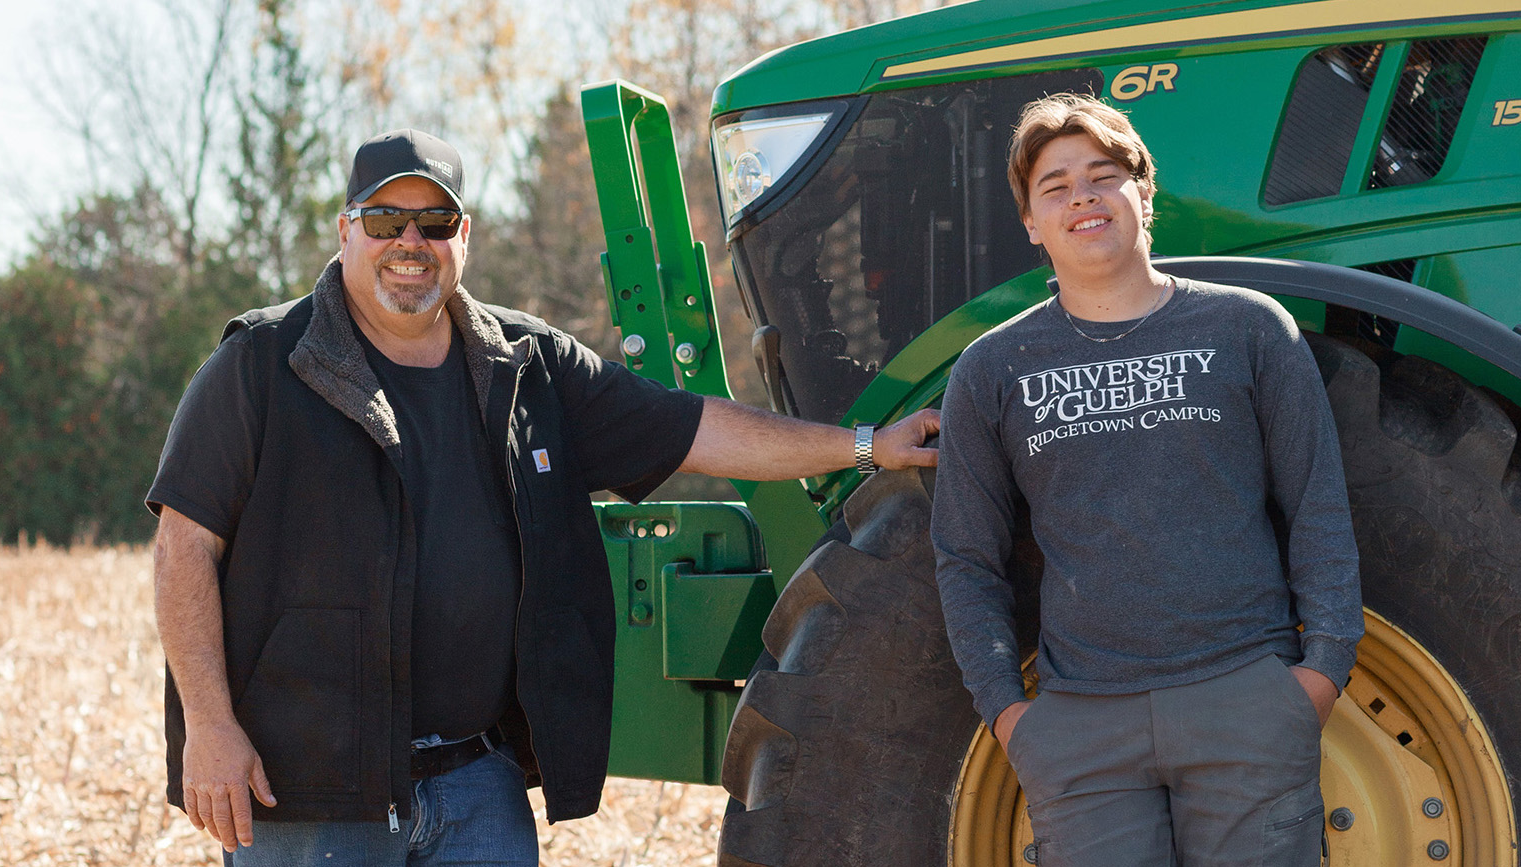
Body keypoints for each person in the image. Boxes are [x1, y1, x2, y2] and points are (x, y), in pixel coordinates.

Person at [148, 128, 939, 866]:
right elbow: (184, 546)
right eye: (387, 218)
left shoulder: (529, 365)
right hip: (309, 792)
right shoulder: (260, 365)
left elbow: (696, 428)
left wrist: (866, 445)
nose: (409, 243)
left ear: (466, 236)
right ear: (346, 229)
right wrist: (211, 726)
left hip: (474, 782)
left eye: (435, 221)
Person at [931, 94, 1362, 867]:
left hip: (1245, 703)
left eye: (1103, 175)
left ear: (1144, 192)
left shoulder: (1250, 328)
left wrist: (1321, 673)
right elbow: (966, 556)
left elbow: (1318, 507)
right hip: (1083, 729)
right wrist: (1009, 716)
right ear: (1030, 221)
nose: (1083, 197)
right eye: (1054, 186)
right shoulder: (991, 370)